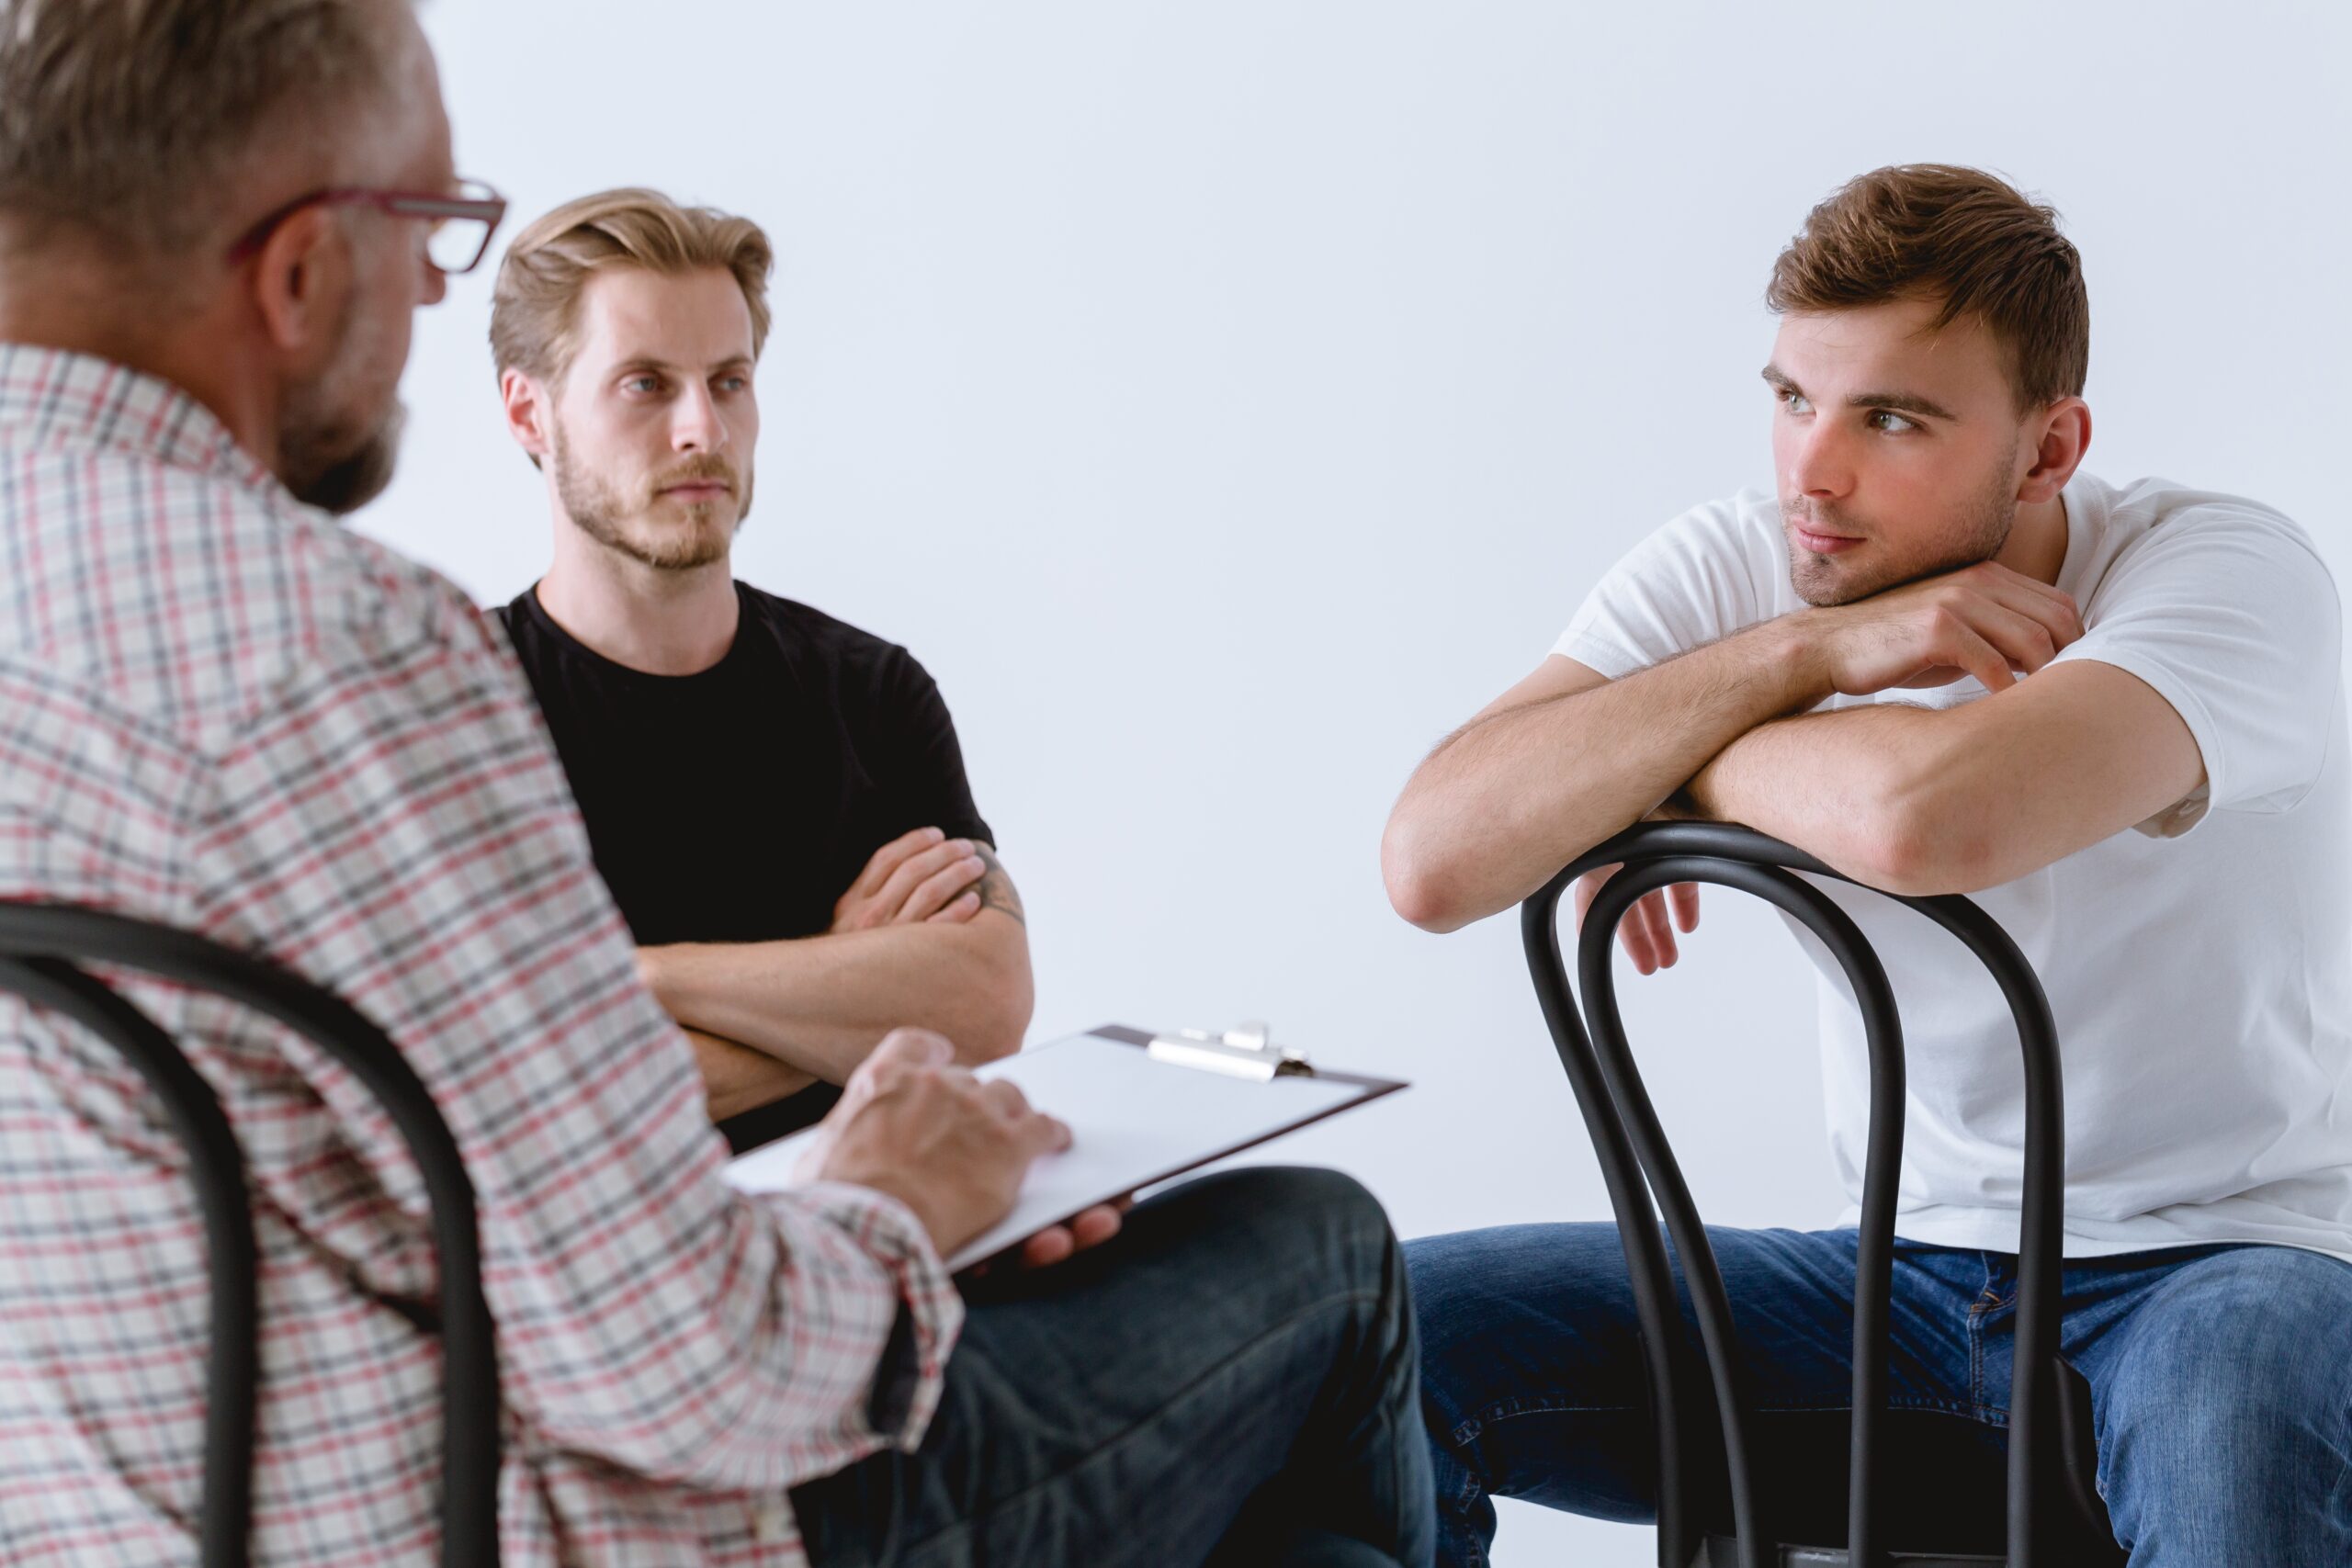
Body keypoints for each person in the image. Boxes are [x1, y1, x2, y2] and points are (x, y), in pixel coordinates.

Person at [0, 4, 1431, 1565]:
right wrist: (893, 1197)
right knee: (1334, 1254)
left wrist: (640, 1004)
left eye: (732, 381)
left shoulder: (855, 685)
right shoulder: (351, 660)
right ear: (294, 272)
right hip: (579, 1507)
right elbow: (698, 1369)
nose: (430, 288)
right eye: (432, 230)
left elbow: (966, 997)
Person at [1383, 164, 2352, 1567]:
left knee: (2240, 1446)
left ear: (2049, 447)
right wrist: (1802, 657)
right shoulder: (1758, 569)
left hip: (2226, 1259)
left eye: (1891, 418)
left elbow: (1930, 823)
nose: (1813, 472)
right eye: (1791, 398)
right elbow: (1432, 853)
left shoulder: (2225, 572)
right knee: (1375, 1340)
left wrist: (1656, 763)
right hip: (1900, 1268)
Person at [487, 188, 1030, 1155]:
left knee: (1298, 1217)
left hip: (898, 1242)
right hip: (629, 1282)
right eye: (645, 384)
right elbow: (511, 1104)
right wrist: (840, 979)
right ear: (529, 411)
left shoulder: (870, 692)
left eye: (729, 381)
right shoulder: (452, 714)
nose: (703, 430)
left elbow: (988, 1003)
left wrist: (640, 981)